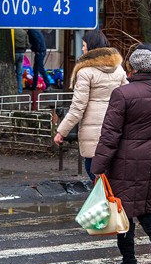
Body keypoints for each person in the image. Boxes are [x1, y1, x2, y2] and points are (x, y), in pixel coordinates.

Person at [91, 48, 151, 264]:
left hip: (126, 161)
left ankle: (129, 262)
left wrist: (98, 166)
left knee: (124, 211)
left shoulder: (123, 94)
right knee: (146, 207)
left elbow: (110, 134)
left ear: (134, 68)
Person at [53, 30, 127, 181]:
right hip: (115, 126)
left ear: (91, 47)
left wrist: (61, 131)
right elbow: (128, 96)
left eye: (84, 45)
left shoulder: (85, 72)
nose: (82, 48)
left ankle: (105, 202)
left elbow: (78, 107)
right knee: (110, 174)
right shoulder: (118, 69)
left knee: (93, 169)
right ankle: (111, 202)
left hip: (93, 132)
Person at [14, 29, 29, 93]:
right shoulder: (24, 32)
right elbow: (27, 44)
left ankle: (13, 87)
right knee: (19, 73)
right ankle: (20, 90)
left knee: (12, 71)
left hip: (15, 52)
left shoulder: (13, 31)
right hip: (22, 53)